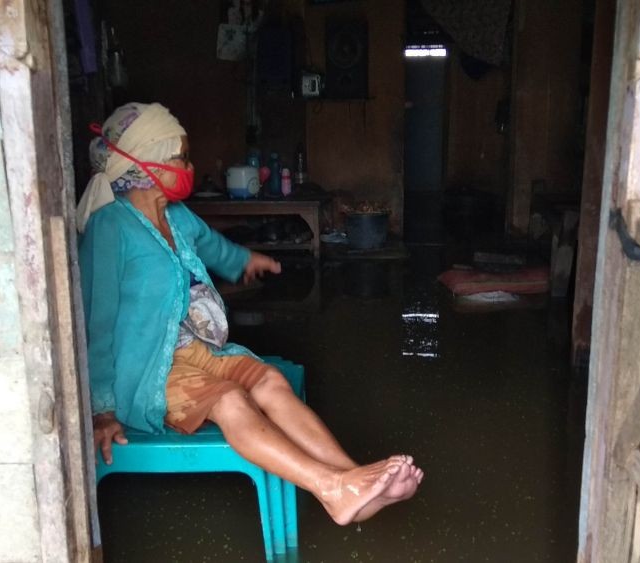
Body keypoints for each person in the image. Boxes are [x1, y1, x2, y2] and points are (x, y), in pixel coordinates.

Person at [77, 102, 422, 525]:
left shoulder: (177, 216)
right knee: (231, 400)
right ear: (145, 163)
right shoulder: (110, 227)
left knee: (271, 382)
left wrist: (245, 260)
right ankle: (332, 488)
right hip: (151, 369)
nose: (189, 165)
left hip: (197, 350)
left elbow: (212, 247)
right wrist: (103, 410)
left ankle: (354, 483)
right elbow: (96, 322)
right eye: (180, 157)